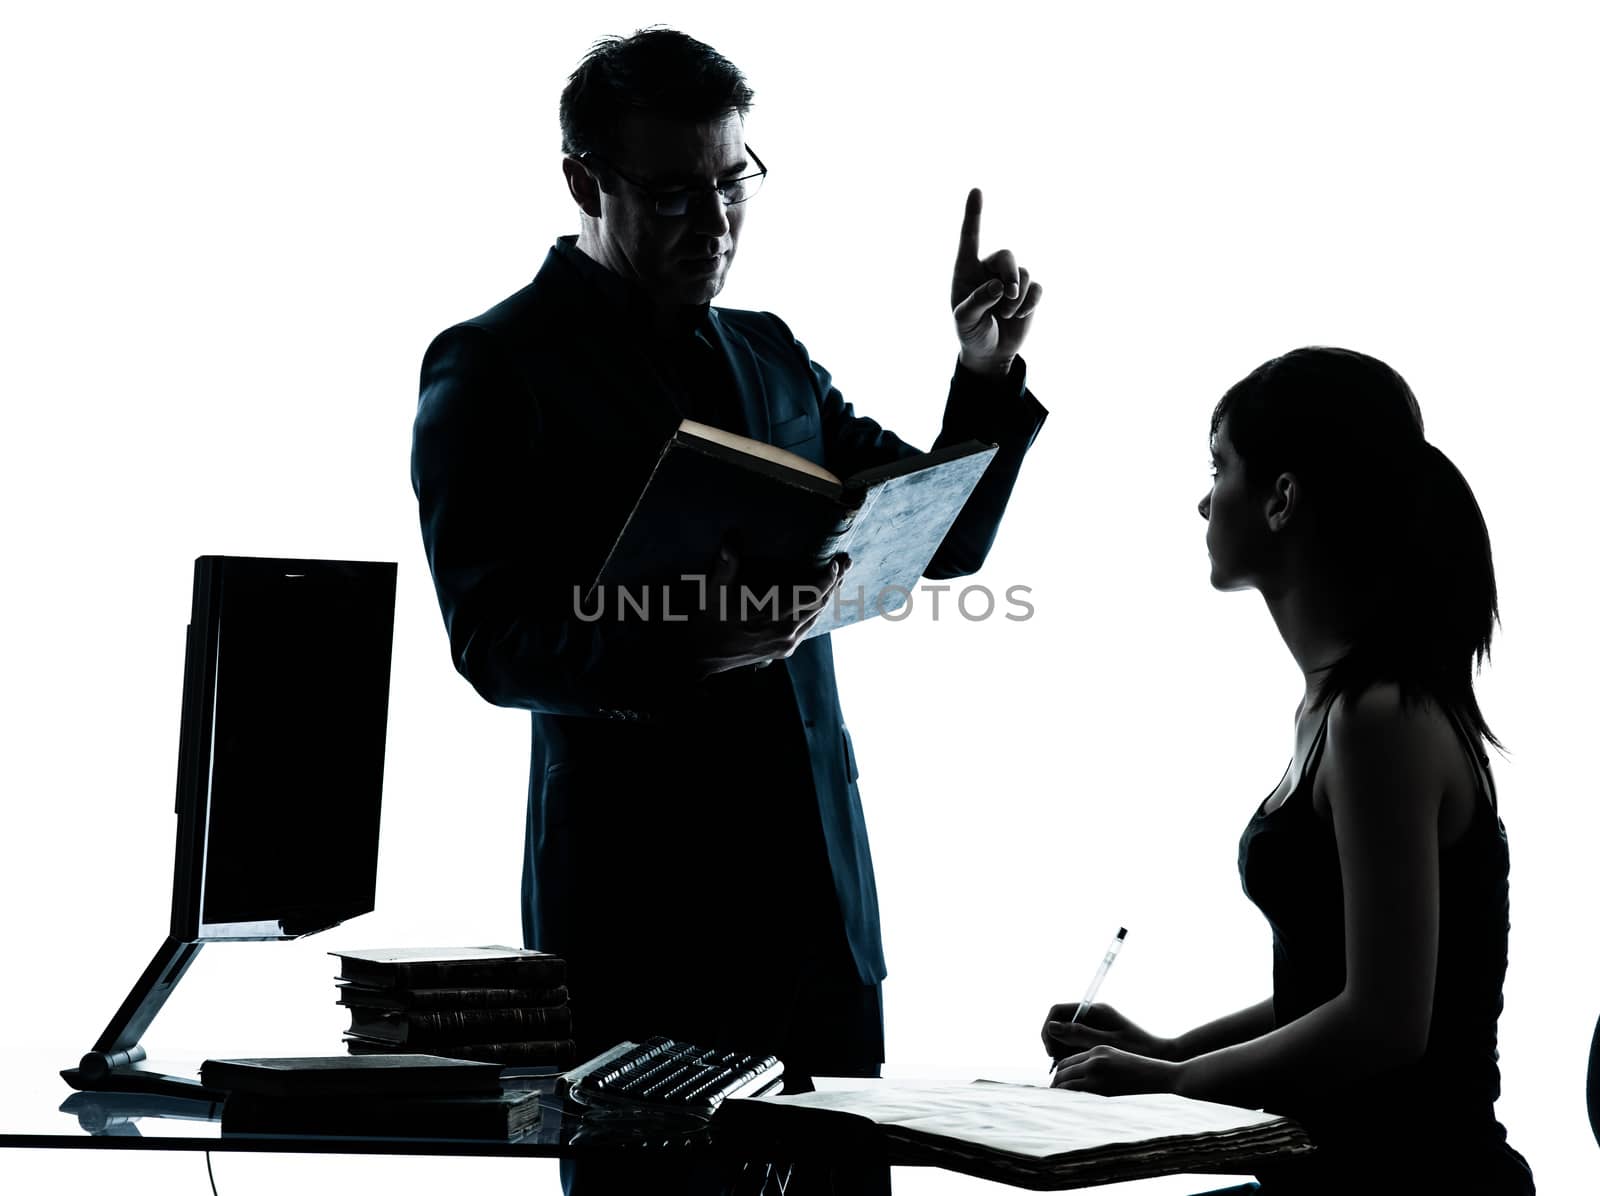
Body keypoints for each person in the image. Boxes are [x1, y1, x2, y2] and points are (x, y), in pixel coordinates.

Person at [411, 26, 1047, 1192]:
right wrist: (686, 641)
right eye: (670, 194)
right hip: (644, 939)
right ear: (581, 182)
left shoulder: (771, 354)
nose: (712, 224)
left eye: (731, 183)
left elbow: (940, 536)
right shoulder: (494, 365)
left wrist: (983, 376)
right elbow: (494, 643)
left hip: (819, 930)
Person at [1041, 347, 1534, 1194]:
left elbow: (1382, 1023)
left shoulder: (1379, 718)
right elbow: (1331, 987)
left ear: (1281, 499)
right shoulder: (1334, 711)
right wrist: (1168, 1050)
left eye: (1219, 466)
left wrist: (1171, 1087)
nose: (1201, 499)